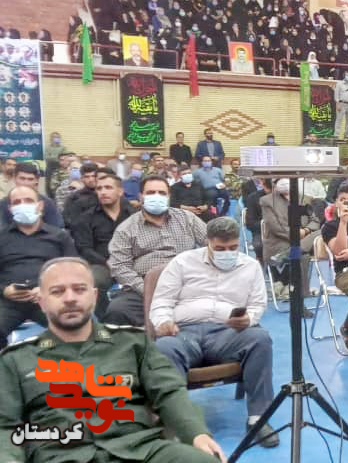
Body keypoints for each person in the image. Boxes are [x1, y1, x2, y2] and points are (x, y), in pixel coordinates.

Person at [0, 257, 227, 462]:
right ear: (41, 301)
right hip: (61, 455)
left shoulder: (133, 343)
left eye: (79, 289)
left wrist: (196, 433)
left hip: (139, 449)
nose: (70, 298)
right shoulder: (16, 360)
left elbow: (169, 391)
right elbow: (5, 424)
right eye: (57, 292)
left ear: (94, 296)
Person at [151, 217, 278, 448]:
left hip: (228, 333)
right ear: (207, 242)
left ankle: (258, 418)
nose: (227, 253)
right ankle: (175, 422)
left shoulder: (250, 267)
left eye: (233, 248)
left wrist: (249, 319)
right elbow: (162, 301)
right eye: (220, 248)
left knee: (260, 339)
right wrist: (164, 322)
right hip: (184, 331)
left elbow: (258, 304)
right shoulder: (182, 263)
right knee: (164, 348)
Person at [106, 176, 208, 326]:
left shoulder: (187, 218)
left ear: (168, 196)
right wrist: (147, 289)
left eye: (162, 193)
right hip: (144, 287)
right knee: (117, 310)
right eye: (150, 192)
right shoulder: (126, 228)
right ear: (141, 196)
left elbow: (212, 243)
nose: (156, 196)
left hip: (187, 283)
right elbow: (119, 266)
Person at [0, 186, 77, 348]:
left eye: (28, 201)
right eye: (17, 202)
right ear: (10, 208)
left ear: (40, 205)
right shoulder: (2, 238)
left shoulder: (59, 236)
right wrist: (4, 290)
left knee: (77, 329)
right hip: (8, 301)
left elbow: (73, 271)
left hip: (51, 298)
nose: (23, 205)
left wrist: (48, 289)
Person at [70, 174, 133, 315]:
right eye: (99, 188)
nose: (103, 192)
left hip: (132, 262)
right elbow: (84, 249)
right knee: (94, 279)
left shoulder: (133, 215)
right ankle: (104, 318)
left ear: (120, 191)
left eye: (108, 187)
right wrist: (107, 262)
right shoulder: (86, 218)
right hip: (102, 264)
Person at [259, 178, 320, 297]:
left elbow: (315, 221)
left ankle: (291, 252)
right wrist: (296, 235)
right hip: (280, 242)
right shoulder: (266, 201)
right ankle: (301, 293)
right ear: (274, 184)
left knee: (323, 231)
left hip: (304, 238)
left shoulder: (305, 198)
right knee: (302, 255)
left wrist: (305, 231)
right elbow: (276, 228)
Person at [0, 162, 62, 227]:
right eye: (22, 178)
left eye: (30, 179)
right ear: (15, 178)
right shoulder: (4, 203)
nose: (26, 183)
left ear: (36, 181)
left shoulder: (48, 203)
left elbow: (57, 227)